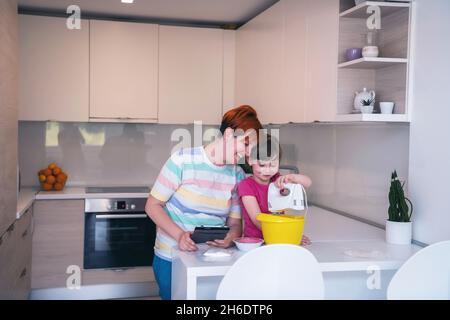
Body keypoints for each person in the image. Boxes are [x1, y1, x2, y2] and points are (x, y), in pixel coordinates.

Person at [145, 105, 262, 300]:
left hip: (211, 261)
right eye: (246, 145)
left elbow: (235, 224)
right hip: (172, 257)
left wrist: (230, 238)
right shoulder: (183, 160)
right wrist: (180, 235)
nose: (249, 155)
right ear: (229, 134)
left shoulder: (238, 175)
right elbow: (152, 206)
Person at [238, 135, 312, 243]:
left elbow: (308, 183)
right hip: (256, 241)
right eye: (262, 165)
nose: (267, 170)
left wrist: (293, 177)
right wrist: (287, 235)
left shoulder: (277, 179)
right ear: (250, 160)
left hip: (278, 236)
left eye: (272, 165)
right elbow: (257, 219)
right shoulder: (246, 185)